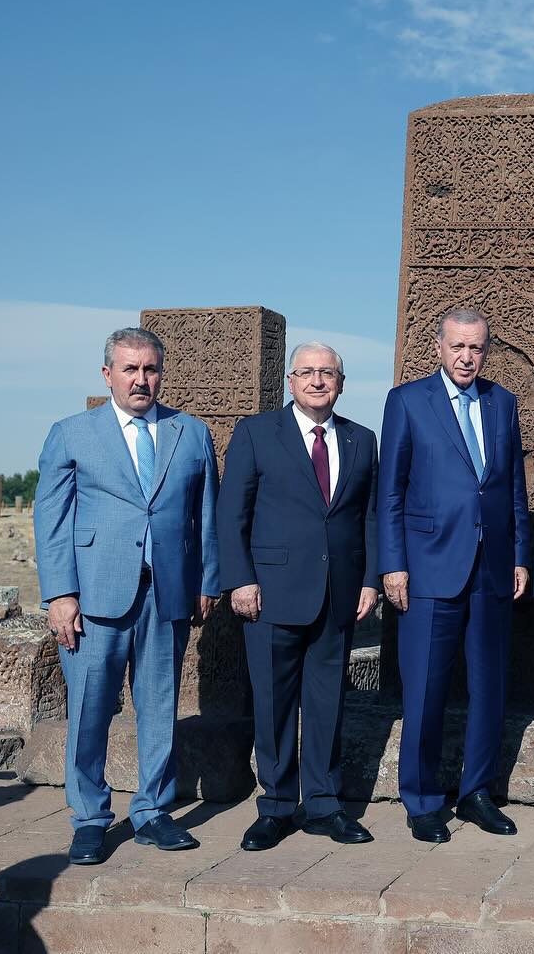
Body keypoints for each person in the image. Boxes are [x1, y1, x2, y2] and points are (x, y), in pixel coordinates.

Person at [34, 327, 219, 865]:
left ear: (162, 371)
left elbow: (205, 511)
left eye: (151, 369)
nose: (142, 379)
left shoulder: (191, 432)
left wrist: (208, 580)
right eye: (130, 369)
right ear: (107, 374)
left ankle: (153, 812)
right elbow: (51, 520)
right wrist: (60, 594)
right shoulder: (71, 433)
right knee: (90, 711)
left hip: (167, 593)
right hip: (93, 598)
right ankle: (90, 818)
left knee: (159, 708)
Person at [217, 341, 381, 851]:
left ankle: (325, 804)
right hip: (271, 594)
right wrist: (240, 579)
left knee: (328, 701)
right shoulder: (256, 433)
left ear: (340, 382)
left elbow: (369, 517)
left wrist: (371, 580)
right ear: (290, 380)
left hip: (339, 595)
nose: (316, 381)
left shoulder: (361, 440)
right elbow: (232, 514)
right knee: (273, 704)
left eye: (326, 373)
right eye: (306, 372)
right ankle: (276, 806)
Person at [377, 307, 531, 843]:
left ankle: (477, 793)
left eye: (478, 348)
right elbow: (390, 491)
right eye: (459, 347)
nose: (468, 357)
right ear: (438, 347)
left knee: (489, 687)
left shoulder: (501, 402)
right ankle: (422, 799)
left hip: (491, 568)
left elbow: (511, 486)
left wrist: (519, 554)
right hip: (428, 568)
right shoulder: (407, 402)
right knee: (425, 688)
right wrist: (393, 564)